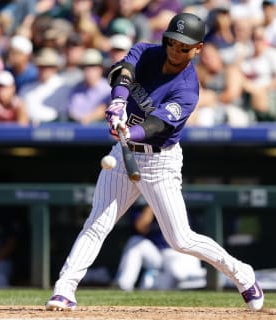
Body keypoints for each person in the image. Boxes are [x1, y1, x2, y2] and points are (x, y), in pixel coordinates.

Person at [45, 13, 263, 312]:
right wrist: (118, 101)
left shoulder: (187, 88)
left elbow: (157, 126)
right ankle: (64, 289)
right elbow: (123, 71)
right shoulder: (146, 51)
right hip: (124, 156)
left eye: (184, 47)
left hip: (160, 162)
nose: (176, 50)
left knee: (181, 240)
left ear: (197, 49)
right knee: (97, 223)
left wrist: (128, 130)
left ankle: (242, 272)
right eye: (172, 42)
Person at [114, 205, 206, 291]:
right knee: (135, 241)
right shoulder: (141, 205)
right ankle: (123, 286)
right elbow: (141, 227)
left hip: (177, 252)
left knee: (178, 275)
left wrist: (160, 202)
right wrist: (151, 205)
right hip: (156, 254)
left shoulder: (173, 199)